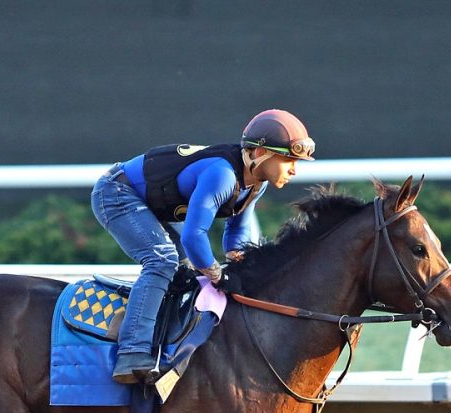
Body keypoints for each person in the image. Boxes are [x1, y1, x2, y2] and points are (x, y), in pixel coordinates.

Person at [91, 109, 316, 384]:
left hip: (149, 202)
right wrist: (217, 274)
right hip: (116, 192)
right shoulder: (222, 175)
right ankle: (131, 352)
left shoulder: (256, 182)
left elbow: (236, 231)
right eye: (288, 160)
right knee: (162, 260)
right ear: (259, 155)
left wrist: (240, 266)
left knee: (182, 271)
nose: (294, 169)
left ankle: (160, 339)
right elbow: (194, 236)